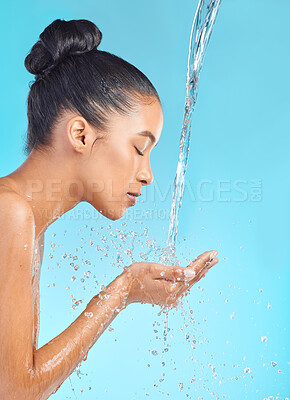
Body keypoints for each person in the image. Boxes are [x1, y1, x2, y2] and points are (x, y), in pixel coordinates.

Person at [0, 19, 219, 399]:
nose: (149, 174)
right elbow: (16, 391)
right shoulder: (11, 212)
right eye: (139, 148)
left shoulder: (26, 219)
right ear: (81, 134)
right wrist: (123, 290)